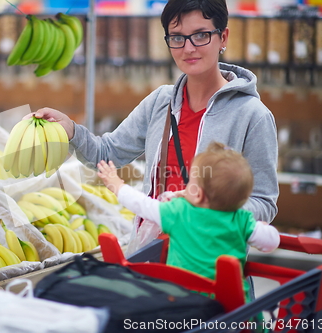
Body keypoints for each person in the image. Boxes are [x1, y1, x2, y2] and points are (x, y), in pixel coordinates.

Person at [28, 0, 279, 253]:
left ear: (223, 37)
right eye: (178, 38)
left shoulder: (252, 115)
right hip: (152, 259)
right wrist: (70, 129)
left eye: (201, 35)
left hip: (209, 264)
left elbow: (264, 204)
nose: (189, 48)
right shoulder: (161, 102)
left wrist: (207, 210)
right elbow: (107, 154)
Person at [96, 141, 280, 297]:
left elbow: (142, 204)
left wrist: (117, 185)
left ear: (198, 194)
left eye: (191, 181)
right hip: (230, 306)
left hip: (184, 300)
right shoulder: (241, 219)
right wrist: (262, 228)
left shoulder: (180, 212)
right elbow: (271, 242)